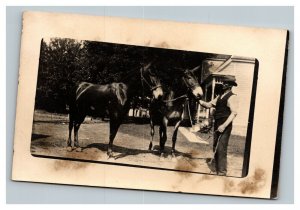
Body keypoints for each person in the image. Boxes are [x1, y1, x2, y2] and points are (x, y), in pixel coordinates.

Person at [199, 75, 238, 176]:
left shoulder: (232, 97)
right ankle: (217, 170)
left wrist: (224, 126)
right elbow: (208, 105)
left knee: (221, 148)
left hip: (225, 124)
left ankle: (222, 173)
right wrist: (198, 99)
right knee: (215, 146)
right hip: (217, 123)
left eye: (225, 83)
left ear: (229, 86)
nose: (223, 84)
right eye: (223, 82)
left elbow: (234, 113)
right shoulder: (220, 96)